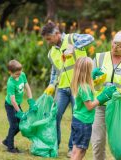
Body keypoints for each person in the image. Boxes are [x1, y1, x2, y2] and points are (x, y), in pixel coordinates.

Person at [41, 22, 94, 156]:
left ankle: (72, 149)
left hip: (79, 86)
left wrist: (74, 47)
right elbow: (55, 70)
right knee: (55, 117)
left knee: (76, 118)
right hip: (63, 88)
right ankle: (54, 146)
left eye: (49, 38)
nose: (48, 42)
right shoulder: (52, 52)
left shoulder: (71, 38)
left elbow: (89, 38)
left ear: (57, 34)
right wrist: (52, 84)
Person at [91, 30, 121, 160]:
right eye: (114, 43)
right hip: (100, 105)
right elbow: (87, 80)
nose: (115, 47)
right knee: (98, 141)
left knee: (120, 143)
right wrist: (93, 78)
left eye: (120, 46)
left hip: (119, 107)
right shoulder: (99, 58)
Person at [70, 57, 116, 160]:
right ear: (87, 71)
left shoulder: (79, 83)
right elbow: (89, 106)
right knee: (81, 151)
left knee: (75, 148)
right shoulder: (85, 87)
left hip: (77, 120)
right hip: (83, 122)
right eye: (91, 69)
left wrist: (91, 76)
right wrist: (103, 97)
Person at [2, 60, 36, 153]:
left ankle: (7, 140)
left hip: (17, 104)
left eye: (20, 73)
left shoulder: (22, 75)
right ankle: (10, 147)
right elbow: (12, 101)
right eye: (17, 74)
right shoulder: (11, 83)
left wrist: (31, 100)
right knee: (13, 125)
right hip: (10, 106)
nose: (19, 75)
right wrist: (19, 112)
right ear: (10, 72)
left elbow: (27, 87)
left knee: (20, 125)